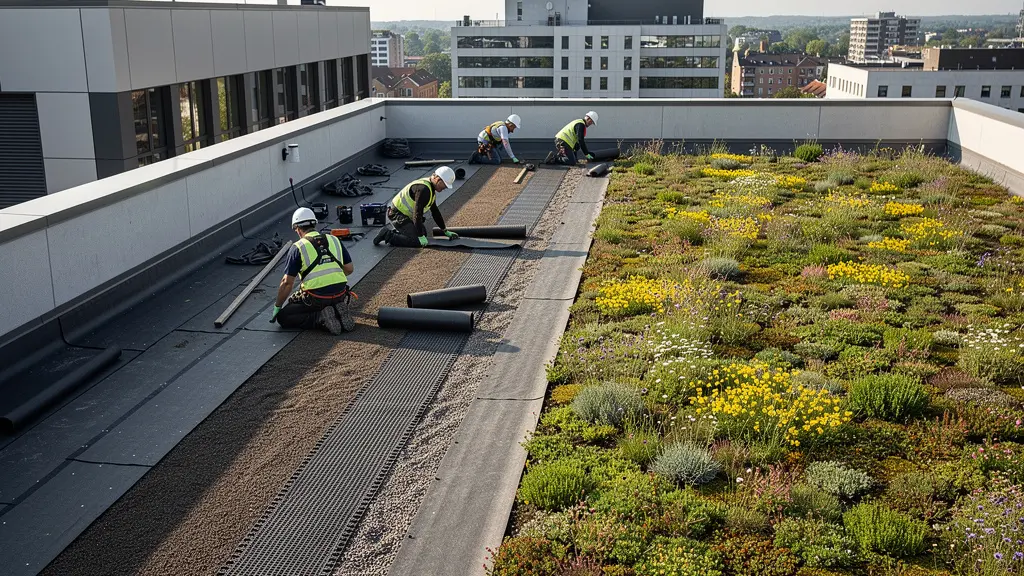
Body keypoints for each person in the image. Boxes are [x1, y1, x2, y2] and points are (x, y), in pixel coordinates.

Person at [270, 207, 355, 335]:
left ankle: (320, 318)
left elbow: (287, 283)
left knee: (284, 317)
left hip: (317, 299)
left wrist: (277, 307)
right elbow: (349, 269)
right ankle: (337, 311)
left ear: (297, 229)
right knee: (327, 301)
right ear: (314, 224)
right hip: (340, 294)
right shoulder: (334, 239)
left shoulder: (298, 247)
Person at [373, 166, 460, 248]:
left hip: (406, 215)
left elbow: (435, 211)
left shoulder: (430, 188)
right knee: (417, 241)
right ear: (437, 179)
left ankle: (401, 231)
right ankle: (388, 235)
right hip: (396, 214)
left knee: (423, 234)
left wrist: (445, 230)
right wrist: (420, 236)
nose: (445, 188)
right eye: (444, 184)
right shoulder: (423, 190)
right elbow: (417, 214)